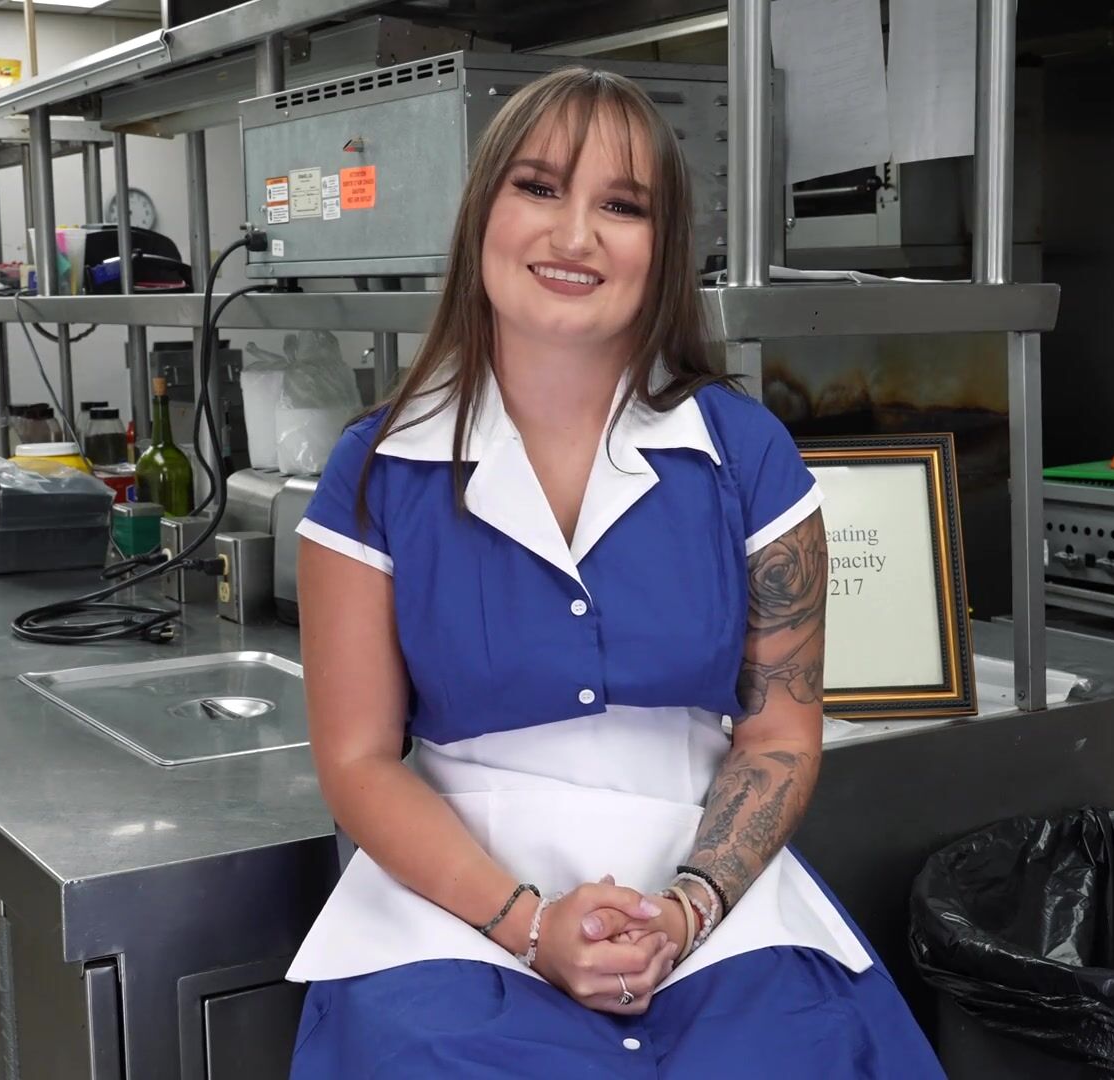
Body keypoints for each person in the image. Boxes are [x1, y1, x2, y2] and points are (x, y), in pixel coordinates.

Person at [286, 65, 947, 1078]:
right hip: (455, 912)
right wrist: (527, 925)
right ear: (483, 214)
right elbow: (359, 761)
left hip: (711, 907)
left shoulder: (748, 458)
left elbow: (778, 733)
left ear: (663, 247)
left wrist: (685, 911)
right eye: (539, 188)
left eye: (622, 206)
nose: (575, 234)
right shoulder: (375, 472)